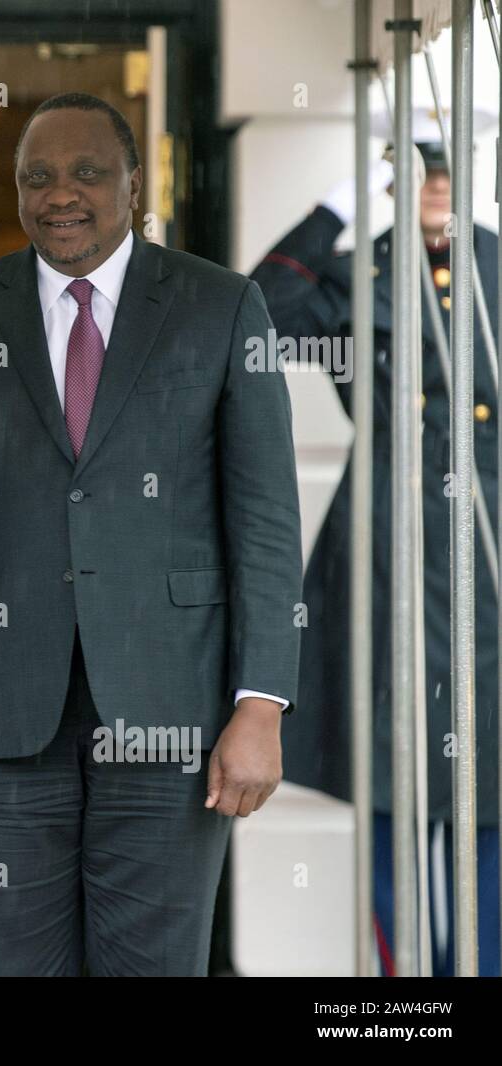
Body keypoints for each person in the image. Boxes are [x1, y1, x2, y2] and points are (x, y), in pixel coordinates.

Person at [0, 91, 302, 976]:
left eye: (88, 172)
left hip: (173, 715)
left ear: (134, 184)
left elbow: (265, 522)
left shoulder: (221, 307)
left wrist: (261, 702)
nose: (62, 194)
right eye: (38, 177)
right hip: (3, 717)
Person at [251, 102, 501, 976]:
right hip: (386, 548)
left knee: (493, 789)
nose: (435, 183)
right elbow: (263, 306)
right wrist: (343, 204)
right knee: (392, 783)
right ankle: (411, 994)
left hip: (488, 543)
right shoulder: (363, 274)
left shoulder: (498, 267)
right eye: (418, 165)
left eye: (446, 166)